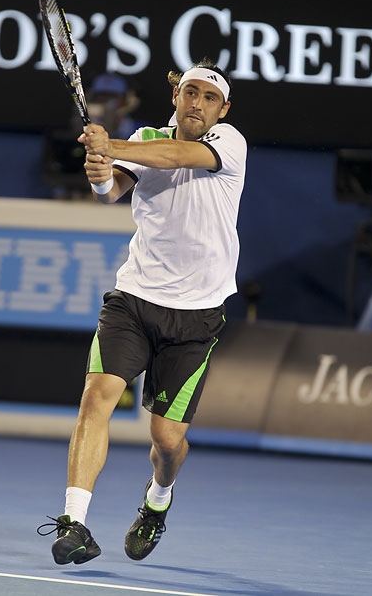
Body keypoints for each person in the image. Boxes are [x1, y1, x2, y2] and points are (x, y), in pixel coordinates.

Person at [37, 58, 247, 565]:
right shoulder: (145, 137)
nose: (197, 103)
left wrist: (111, 145)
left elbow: (174, 155)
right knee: (96, 398)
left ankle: (157, 500)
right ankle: (74, 522)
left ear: (223, 109)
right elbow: (112, 191)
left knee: (166, 440)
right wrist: (100, 177)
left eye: (209, 97)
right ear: (176, 97)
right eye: (190, 92)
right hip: (133, 301)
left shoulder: (229, 143)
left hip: (196, 316)